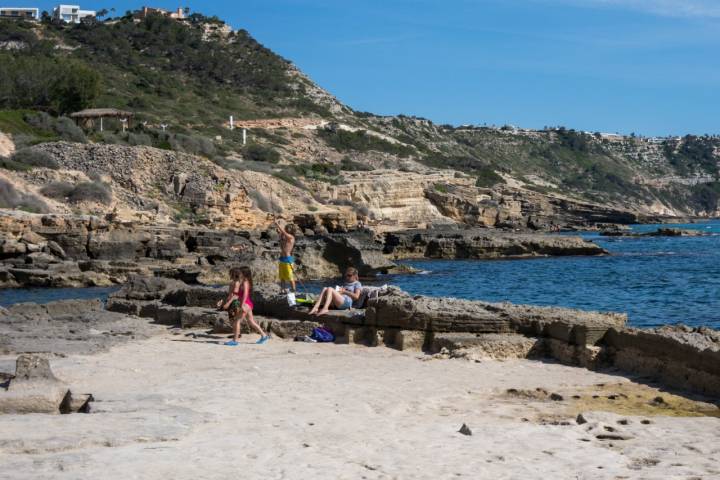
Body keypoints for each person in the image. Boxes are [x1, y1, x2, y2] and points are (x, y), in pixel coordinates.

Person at [216, 266, 269, 346]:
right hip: (247, 304)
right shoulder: (243, 282)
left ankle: (235, 341)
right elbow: (239, 294)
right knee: (251, 321)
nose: (239, 274)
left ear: (244, 273)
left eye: (240, 272)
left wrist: (242, 305)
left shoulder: (245, 282)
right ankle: (264, 335)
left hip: (246, 304)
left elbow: (245, 294)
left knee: (237, 321)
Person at [276, 220, 297, 293]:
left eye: (287, 228)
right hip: (282, 259)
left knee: (290, 276)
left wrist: (278, 226)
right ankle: (282, 289)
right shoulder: (285, 237)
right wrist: (277, 225)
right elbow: (281, 233)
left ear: (290, 230)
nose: (286, 229)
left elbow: (283, 232)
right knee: (282, 276)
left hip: (288, 260)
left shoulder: (291, 237)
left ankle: (293, 290)